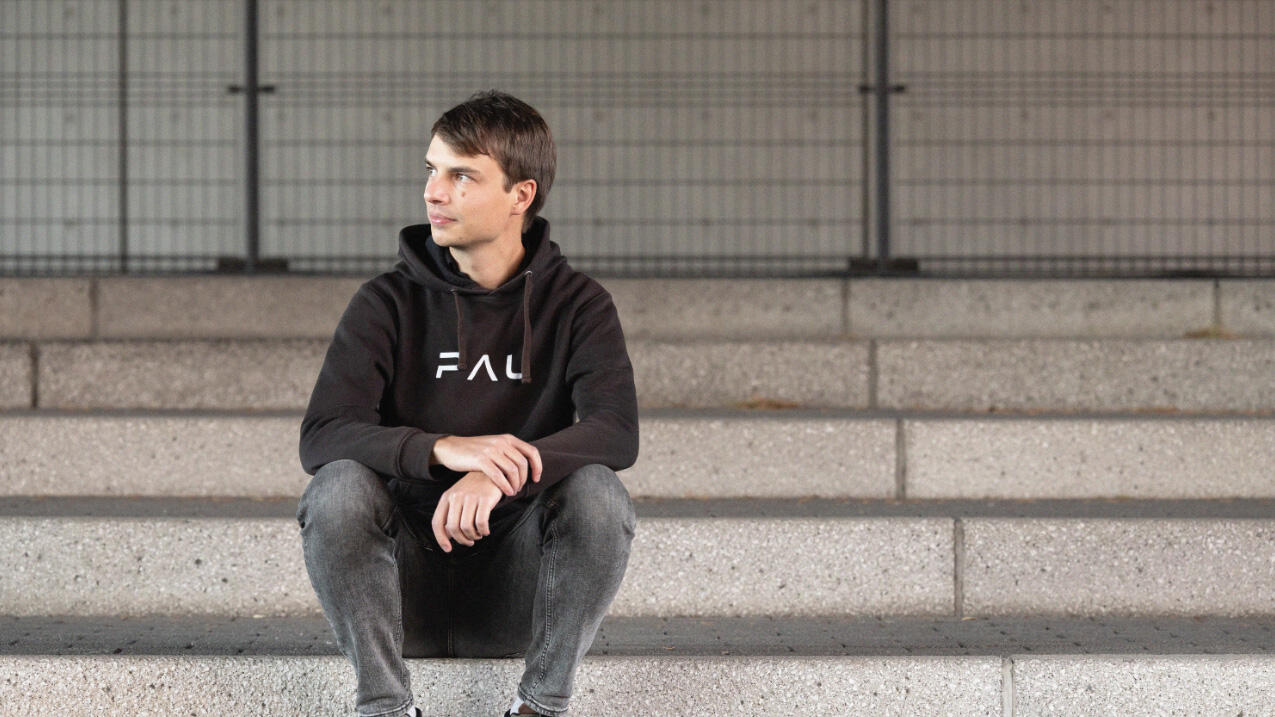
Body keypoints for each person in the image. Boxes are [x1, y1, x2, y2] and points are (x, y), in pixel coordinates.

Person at [296, 90, 639, 717]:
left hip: (522, 592)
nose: (434, 191)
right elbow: (322, 434)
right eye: (431, 170)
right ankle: (385, 706)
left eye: (461, 176)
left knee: (598, 491)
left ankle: (541, 705)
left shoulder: (579, 305)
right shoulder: (385, 303)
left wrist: (496, 470)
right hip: (401, 590)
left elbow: (615, 433)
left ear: (520, 195)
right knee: (337, 486)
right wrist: (440, 451)